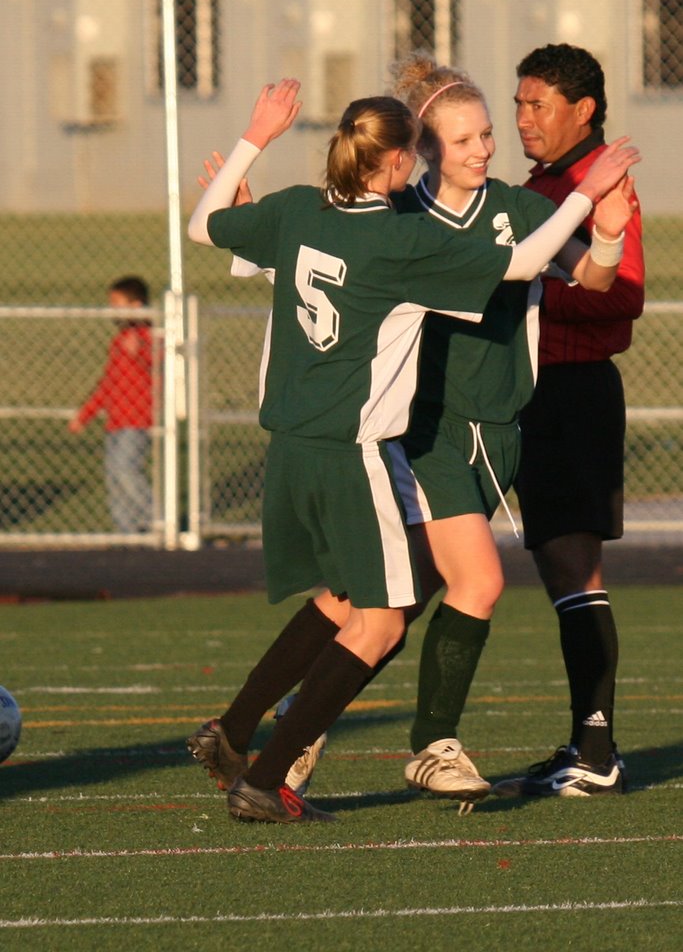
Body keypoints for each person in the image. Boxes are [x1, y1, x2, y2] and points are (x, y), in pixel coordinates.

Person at [185, 78, 638, 824]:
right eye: (463, 138)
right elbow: (517, 264)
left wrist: (607, 231)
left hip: (461, 432)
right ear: (415, 153)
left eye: (486, 133)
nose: (483, 148)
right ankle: (414, 747)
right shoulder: (403, 224)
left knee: (359, 596)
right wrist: (585, 192)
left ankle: (246, 732)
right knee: (446, 593)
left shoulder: (499, 208)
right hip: (405, 436)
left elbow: (585, 275)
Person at [492, 43, 645, 799]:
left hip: (572, 392)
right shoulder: (544, 184)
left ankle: (596, 750)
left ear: (582, 110)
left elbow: (621, 295)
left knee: (576, 568)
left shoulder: (598, 180)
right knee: (558, 570)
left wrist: (517, 289)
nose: (523, 118)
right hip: (531, 394)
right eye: (519, 103)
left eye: (538, 104)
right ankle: (591, 744)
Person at [68, 276, 154, 534]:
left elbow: (161, 371)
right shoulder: (119, 340)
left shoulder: (151, 336)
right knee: (114, 477)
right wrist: (85, 415)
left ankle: (158, 519)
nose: (113, 310)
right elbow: (107, 384)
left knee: (126, 470)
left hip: (139, 419)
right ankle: (127, 531)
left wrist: (140, 352)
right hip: (115, 421)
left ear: (136, 306)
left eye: (118, 304)